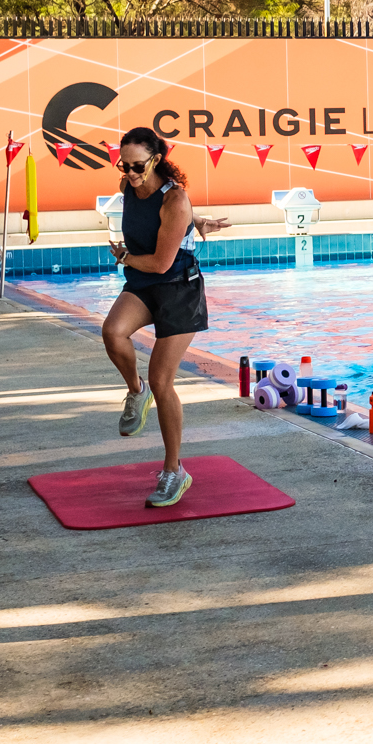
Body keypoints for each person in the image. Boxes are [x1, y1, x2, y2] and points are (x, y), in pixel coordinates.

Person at [103, 126, 214, 509]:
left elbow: (161, 260)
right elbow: (168, 214)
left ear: (156, 159)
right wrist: (196, 222)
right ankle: (136, 392)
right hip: (145, 285)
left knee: (162, 379)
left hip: (179, 289)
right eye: (124, 165)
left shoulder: (175, 198)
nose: (130, 173)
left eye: (137, 166)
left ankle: (174, 471)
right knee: (113, 332)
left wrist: (124, 258)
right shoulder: (128, 187)